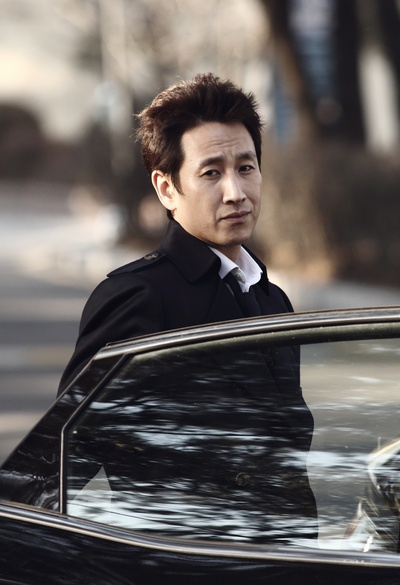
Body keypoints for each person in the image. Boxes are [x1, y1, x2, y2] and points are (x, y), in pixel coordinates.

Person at [58, 73, 296, 393]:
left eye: (245, 168)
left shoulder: (273, 299)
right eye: (211, 173)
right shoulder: (137, 299)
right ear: (166, 189)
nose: (236, 193)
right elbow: (82, 422)